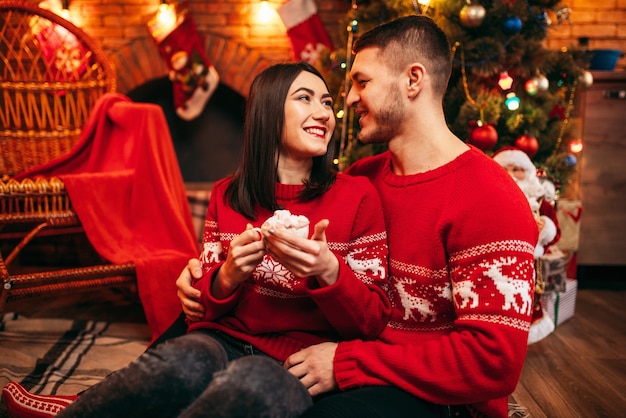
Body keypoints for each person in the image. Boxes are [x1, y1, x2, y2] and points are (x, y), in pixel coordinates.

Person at [182, 15, 539, 418]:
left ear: (413, 79)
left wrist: (348, 363)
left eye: (361, 82)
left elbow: (493, 363)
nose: (348, 99)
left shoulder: (491, 198)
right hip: (346, 364)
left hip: (438, 399)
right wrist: (199, 279)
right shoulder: (360, 181)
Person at [2, 62, 391, 418]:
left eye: (326, 102)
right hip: (222, 339)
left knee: (254, 384)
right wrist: (228, 276)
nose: (324, 112)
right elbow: (199, 309)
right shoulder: (227, 195)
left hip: (297, 362)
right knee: (180, 361)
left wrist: (327, 270)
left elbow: (372, 320)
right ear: (268, 113)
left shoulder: (357, 196)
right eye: (305, 98)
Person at [493, 145, 561, 344]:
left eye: (517, 169)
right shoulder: (492, 196)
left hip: (530, 262)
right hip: (499, 261)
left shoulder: (540, 202)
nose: (511, 175)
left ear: (528, 172)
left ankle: (520, 339)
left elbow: (556, 234)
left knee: (526, 300)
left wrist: (546, 229)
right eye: (506, 169)